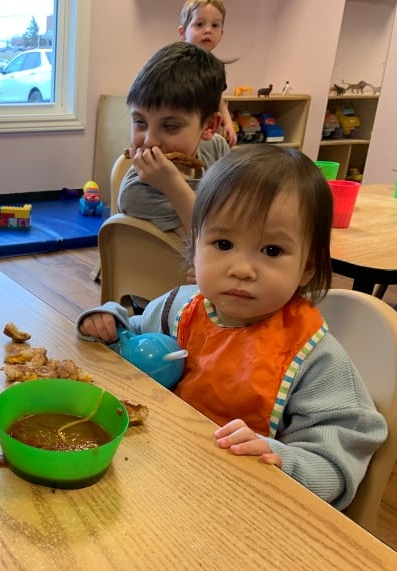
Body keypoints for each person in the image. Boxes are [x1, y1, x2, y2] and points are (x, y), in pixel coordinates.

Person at [78, 144, 387, 510]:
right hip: (166, 479)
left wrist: (282, 460)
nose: (242, 268)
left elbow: (337, 464)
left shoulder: (315, 358)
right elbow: (129, 340)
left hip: (249, 507)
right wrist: (107, 323)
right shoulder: (178, 307)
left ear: (307, 267)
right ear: (195, 247)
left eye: (271, 250)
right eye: (223, 243)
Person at [117, 41, 229, 239]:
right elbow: (211, 241)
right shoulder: (136, 193)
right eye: (140, 122)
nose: (150, 141)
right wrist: (171, 184)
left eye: (170, 126)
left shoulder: (217, 149)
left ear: (209, 126)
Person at [178, 0, 237, 146]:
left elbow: (217, 98)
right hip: (180, 131)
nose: (208, 30)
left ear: (221, 34)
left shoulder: (216, 68)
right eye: (199, 24)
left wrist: (228, 123)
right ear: (182, 32)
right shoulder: (176, 64)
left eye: (215, 25)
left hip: (206, 132)